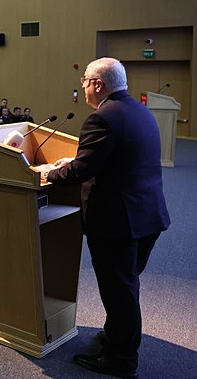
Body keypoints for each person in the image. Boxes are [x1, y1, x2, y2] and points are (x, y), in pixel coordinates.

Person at [41, 58, 170, 379]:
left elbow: (83, 170)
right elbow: (115, 157)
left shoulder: (101, 118)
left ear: (98, 84)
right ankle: (116, 336)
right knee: (126, 283)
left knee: (119, 290)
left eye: (85, 80)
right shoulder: (141, 111)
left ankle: (121, 359)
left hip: (118, 223)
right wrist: (76, 159)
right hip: (147, 216)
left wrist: (50, 172)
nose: (82, 85)